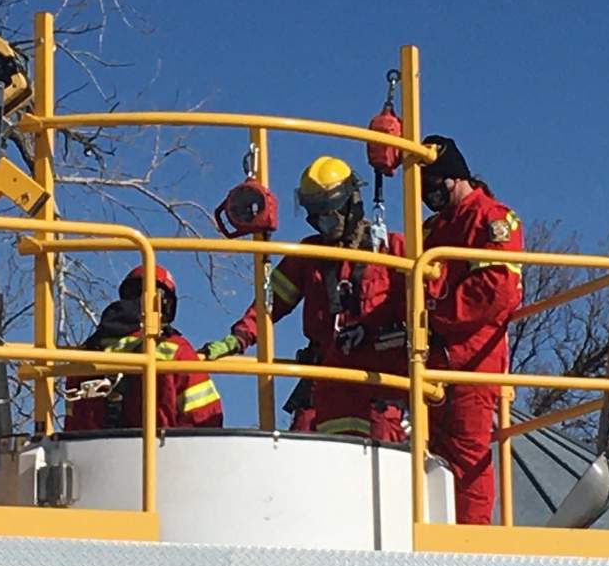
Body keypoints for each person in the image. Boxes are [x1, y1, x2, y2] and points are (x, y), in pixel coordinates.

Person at [200, 156, 409, 441]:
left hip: (382, 387)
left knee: (383, 463)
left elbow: (428, 311)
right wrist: (239, 338)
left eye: (329, 213)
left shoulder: (394, 250)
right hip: (326, 385)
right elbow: (269, 304)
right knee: (300, 445)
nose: (323, 223)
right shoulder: (308, 256)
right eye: (315, 215)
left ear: (351, 204)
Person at [419, 134, 523, 525]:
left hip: (473, 360)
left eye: (432, 187)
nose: (429, 197)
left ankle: (471, 540)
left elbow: (497, 291)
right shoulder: (433, 230)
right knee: (426, 452)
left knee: (468, 452)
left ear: (453, 179)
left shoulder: (492, 220)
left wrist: (434, 315)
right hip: (430, 357)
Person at [64, 264, 223, 431]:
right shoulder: (176, 350)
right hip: (164, 453)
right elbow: (205, 422)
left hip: (88, 453)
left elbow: (73, 424)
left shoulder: (84, 354)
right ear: (164, 303)